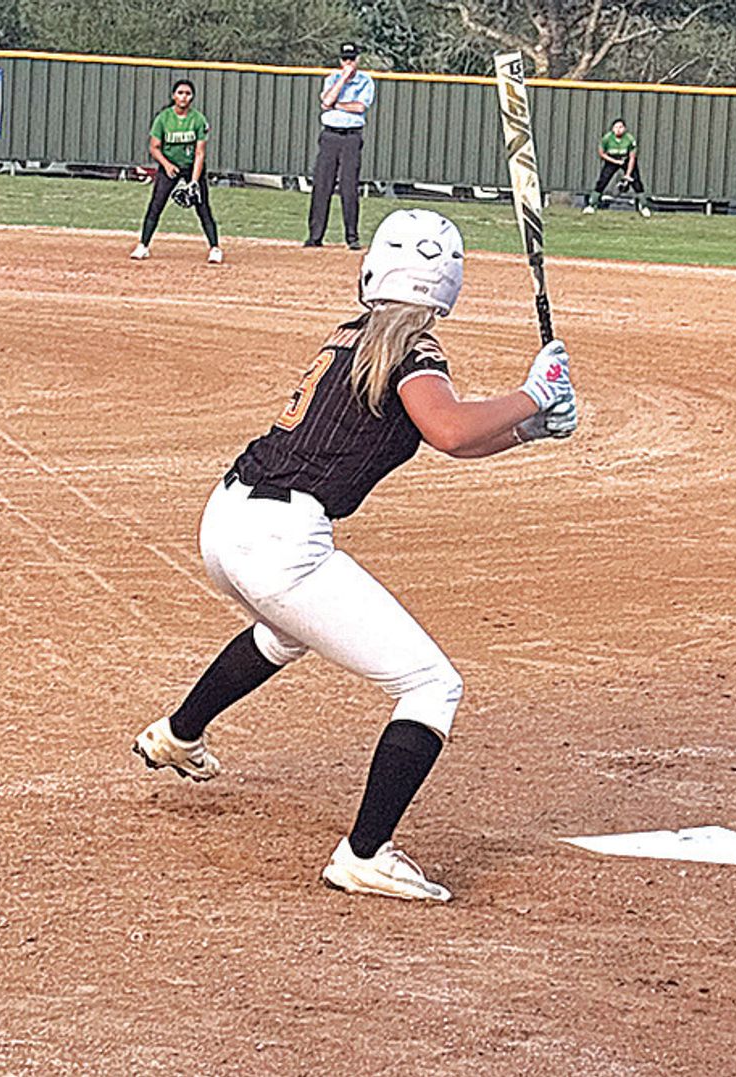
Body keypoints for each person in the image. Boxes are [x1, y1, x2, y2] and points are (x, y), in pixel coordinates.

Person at [131, 208, 578, 902]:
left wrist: (529, 431)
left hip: (227, 519)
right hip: (282, 542)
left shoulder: (355, 336)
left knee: (285, 630)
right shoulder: (414, 351)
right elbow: (452, 429)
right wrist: (531, 393)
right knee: (432, 685)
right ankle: (365, 852)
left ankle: (179, 734)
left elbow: (442, 432)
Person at [130, 79, 222, 264]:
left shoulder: (198, 119)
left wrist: (194, 181)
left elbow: (200, 153)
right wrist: (166, 164)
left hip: (191, 167)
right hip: (169, 166)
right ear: (173, 96)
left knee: (203, 207)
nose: (183, 97)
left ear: (192, 97)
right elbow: (154, 147)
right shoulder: (164, 118)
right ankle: (143, 245)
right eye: (180, 93)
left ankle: (215, 248)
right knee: (156, 205)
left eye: (187, 93)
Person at [305, 42, 376, 251]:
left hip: (351, 137)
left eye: (352, 59)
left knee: (349, 186)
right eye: (345, 59)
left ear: (358, 60)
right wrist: (343, 79)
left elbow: (359, 107)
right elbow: (326, 100)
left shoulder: (366, 81)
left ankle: (352, 237)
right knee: (322, 184)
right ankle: (315, 236)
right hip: (330, 135)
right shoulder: (332, 79)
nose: (348, 63)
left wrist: (337, 104)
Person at [582, 118, 651, 218]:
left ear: (625, 129)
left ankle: (644, 206)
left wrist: (628, 174)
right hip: (611, 159)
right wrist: (615, 161)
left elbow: (632, 158)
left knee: (637, 182)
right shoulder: (607, 138)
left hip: (626, 159)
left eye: (621, 127)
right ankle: (592, 205)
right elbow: (602, 154)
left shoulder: (629, 139)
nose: (618, 129)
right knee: (603, 180)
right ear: (612, 129)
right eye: (616, 127)